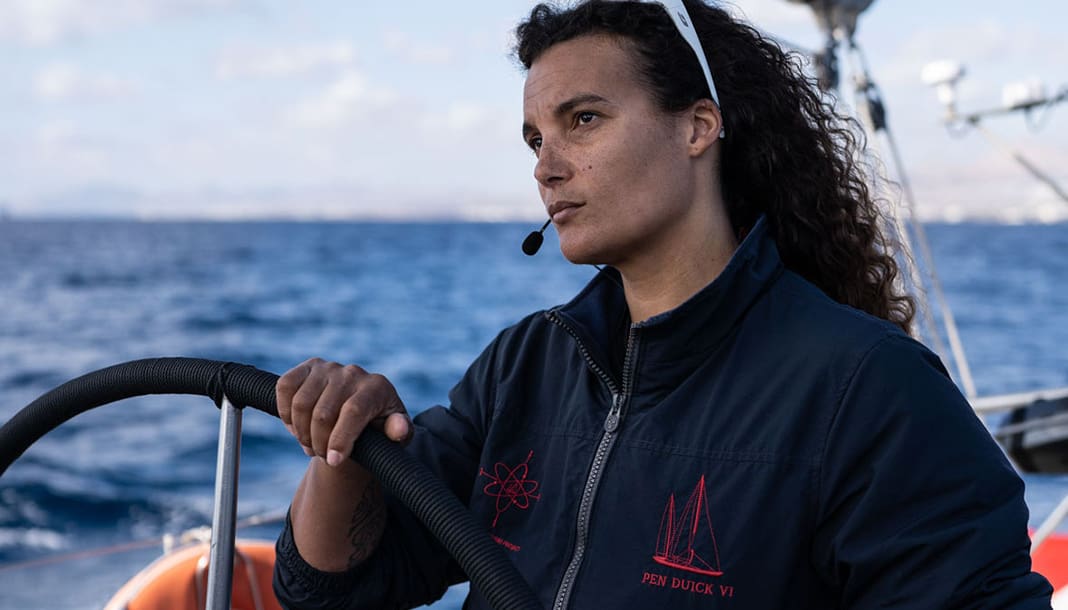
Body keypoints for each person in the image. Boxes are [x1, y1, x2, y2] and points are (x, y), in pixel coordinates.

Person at [272, 1, 1054, 608]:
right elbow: (329, 588)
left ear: (698, 127)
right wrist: (341, 447)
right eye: (535, 139)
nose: (546, 166)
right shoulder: (525, 365)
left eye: (583, 120)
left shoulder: (870, 389)